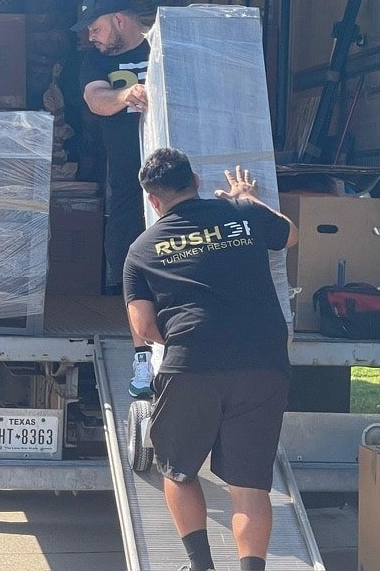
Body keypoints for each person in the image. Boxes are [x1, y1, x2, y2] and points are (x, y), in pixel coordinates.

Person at [123, 149, 298, 571]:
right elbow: (290, 235)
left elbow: (143, 327)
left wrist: (192, 338)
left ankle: (201, 566)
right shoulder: (241, 214)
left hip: (191, 364)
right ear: (196, 181)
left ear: (153, 201)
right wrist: (246, 196)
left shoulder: (141, 249)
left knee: (177, 470)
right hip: (263, 362)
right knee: (250, 488)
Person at [72, 0, 153, 398]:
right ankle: (143, 356)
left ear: (120, 19)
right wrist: (126, 94)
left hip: (175, 183)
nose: (92, 36)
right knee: (127, 257)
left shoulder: (165, 46)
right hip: (127, 182)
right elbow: (95, 99)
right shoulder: (95, 61)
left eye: (97, 27)